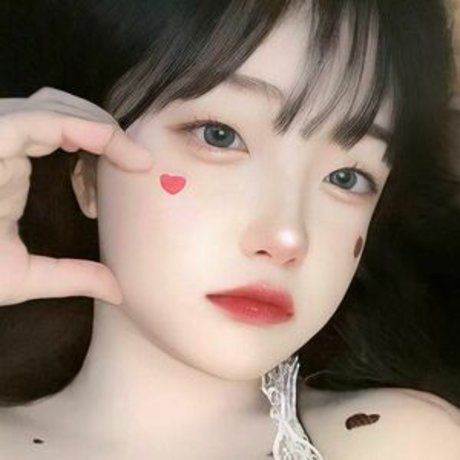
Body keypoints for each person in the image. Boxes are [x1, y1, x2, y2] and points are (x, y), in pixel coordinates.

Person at [0, 1, 458, 459]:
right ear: (86, 172)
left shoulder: (397, 443)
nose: (287, 239)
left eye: (347, 178)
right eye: (218, 135)